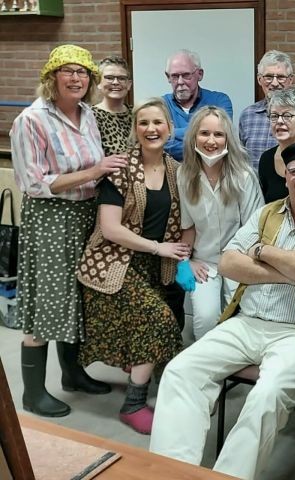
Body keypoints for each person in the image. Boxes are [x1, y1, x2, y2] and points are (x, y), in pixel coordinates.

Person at [149, 141, 295, 480]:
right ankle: (171, 472)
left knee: (267, 395)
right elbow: (229, 262)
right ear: (286, 177)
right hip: (245, 323)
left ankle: (229, 476)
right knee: (180, 371)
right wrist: (294, 274)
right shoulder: (267, 212)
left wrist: (262, 251)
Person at [11, 44, 126, 418]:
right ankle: (32, 393)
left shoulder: (87, 114)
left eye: (83, 72)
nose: (76, 78)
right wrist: (94, 172)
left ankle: (73, 374)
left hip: (85, 214)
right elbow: (33, 182)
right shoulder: (31, 120)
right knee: (49, 299)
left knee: (78, 294)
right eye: (68, 71)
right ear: (52, 77)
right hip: (50, 218)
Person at [76, 98, 190, 434]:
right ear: (135, 129)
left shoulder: (178, 171)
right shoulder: (120, 169)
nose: (151, 129)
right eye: (143, 123)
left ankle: (163, 385)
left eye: (158, 122)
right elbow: (110, 228)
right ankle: (134, 404)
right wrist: (157, 247)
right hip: (114, 262)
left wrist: (186, 256)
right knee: (158, 319)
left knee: (167, 319)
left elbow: (189, 218)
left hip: (157, 266)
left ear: (170, 128)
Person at [176, 106, 264, 341]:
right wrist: (186, 261)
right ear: (194, 137)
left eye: (218, 134)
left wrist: (240, 265)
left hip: (239, 259)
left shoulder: (244, 176)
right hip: (204, 262)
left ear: (228, 139)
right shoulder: (184, 176)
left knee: (237, 319)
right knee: (205, 320)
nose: (211, 141)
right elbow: (188, 226)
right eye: (204, 133)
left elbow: (254, 229)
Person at [239, 50, 295, 169]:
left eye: (281, 77)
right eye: (268, 77)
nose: (275, 83)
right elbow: (241, 159)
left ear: (290, 80)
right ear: (259, 79)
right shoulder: (247, 115)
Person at [162, 49, 233, 161]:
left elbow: (221, 141)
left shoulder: (220, 101)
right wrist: (203, 140)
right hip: (171, 171)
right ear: (168, 77)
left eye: (186, 75)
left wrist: (170, 133)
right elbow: (159, 144)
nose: (180, 82)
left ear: (200, 74)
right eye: (174, 76)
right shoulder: (161, 106)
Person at [92, 55, 133, 157]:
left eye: (121, 78)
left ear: (129, 84)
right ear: (98, 82)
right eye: (109, 78)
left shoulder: (136, 114)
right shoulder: (90, 116)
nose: (115, 82)